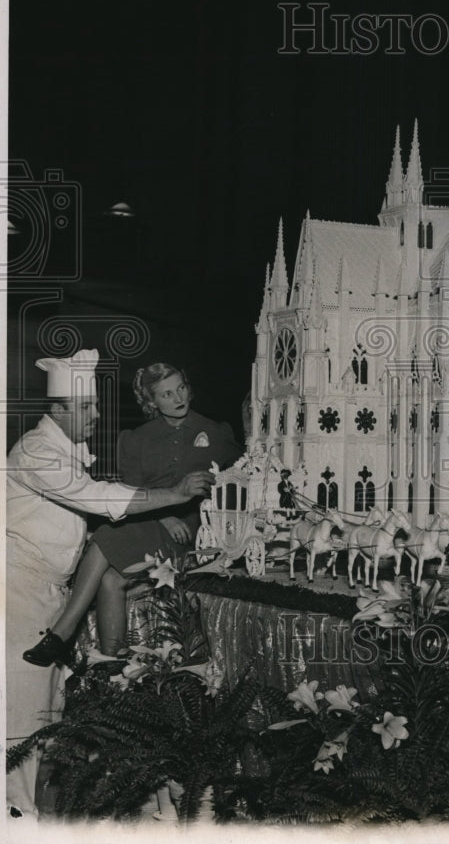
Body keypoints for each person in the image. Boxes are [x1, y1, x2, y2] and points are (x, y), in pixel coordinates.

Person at [6, 349, 214, 819]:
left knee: (43, 726)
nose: (97, 416)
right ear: (58, 410)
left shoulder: (65, 452)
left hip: (47, 593)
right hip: (15, 595)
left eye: (96, 405)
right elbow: (100, 498)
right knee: (18, 734)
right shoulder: (38, 452)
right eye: (86, 408)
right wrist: (176, 493)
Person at [25, 362, 242, 662]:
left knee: (107, 535)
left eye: (181, 388)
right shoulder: (136, 439)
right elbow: (131, 493)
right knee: (111, 579)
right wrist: (164, 517)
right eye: (166, 394)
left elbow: (242, 479)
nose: (178, 398)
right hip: (149, 522)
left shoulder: (216, 432)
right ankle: (112, 664)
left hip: (191, 530)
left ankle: (64, 631)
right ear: (151, 402)